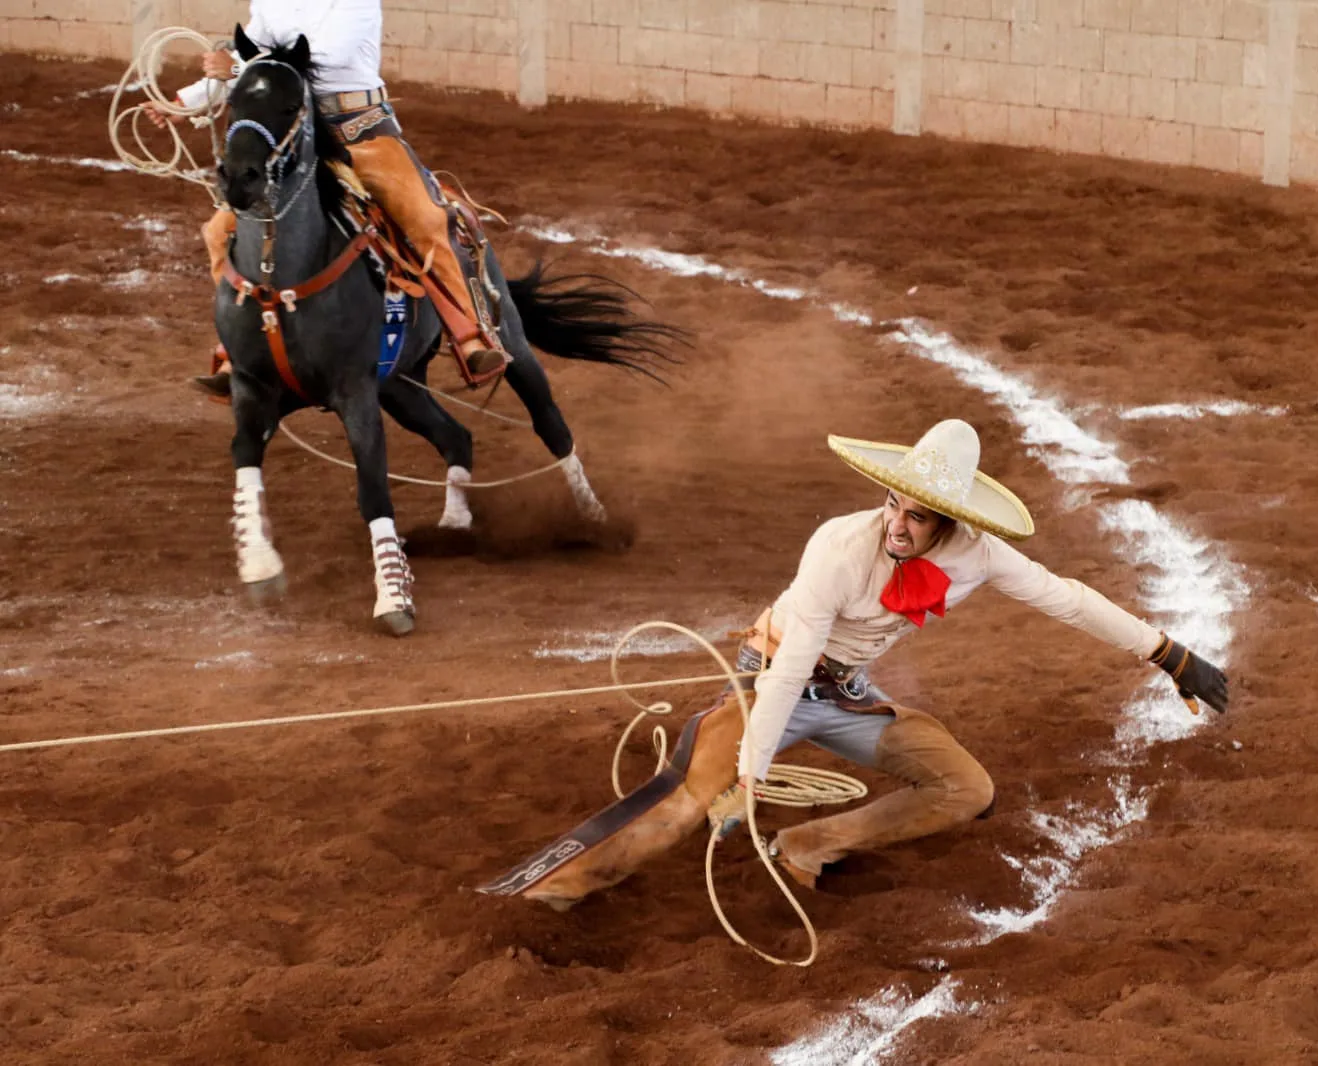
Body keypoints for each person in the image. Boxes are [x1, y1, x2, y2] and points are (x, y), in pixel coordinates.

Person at [498, 418, 1230, 908]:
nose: (896, 523)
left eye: (916, 515)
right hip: (774, 675)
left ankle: (811, 843)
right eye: (892, 504)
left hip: (848, 697)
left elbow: (1066, 598)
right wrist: (754, 764)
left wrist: (1167, 653)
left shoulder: (980, 556)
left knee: (966, 788)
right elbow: (789, 669)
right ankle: (549, 890)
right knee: (681, 808)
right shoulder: (840, 546)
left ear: (952, 523)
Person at [144, 1, 510, 396]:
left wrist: (236, 70)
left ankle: (469, 335)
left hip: (361, 129)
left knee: (424, 217)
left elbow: (321, 59)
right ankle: (237, 349)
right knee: (219, 230)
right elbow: (249, 54)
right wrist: (187, 102)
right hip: (296, 134)